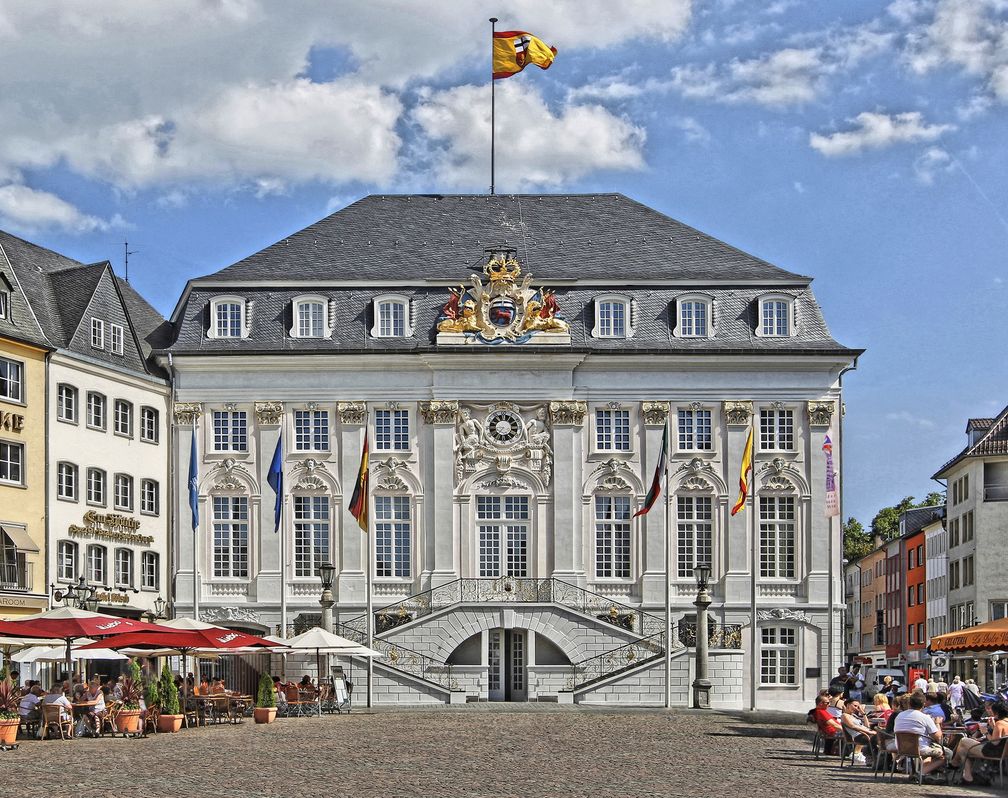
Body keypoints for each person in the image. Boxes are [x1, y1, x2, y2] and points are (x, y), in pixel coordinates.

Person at [894, 691, 952, 778]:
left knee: (928, 752)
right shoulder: (925, 717)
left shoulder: (899, 715)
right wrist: (937, 723)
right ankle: (921, 773)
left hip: (901, 747)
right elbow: (938, 737)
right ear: (923, 704)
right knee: (947, 754)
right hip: (919, 748)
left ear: (909, 704)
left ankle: (921, 771)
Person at [951, 700, 1008, 785]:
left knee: (963, 741)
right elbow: (1000, 738)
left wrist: (985, 732)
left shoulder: (1000, 723)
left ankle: (954, 764)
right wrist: (993, 727)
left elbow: (994, 742)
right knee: (963, 749)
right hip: (1003, 752)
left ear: (996, 712)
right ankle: (967, 776)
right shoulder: (1005, 722)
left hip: (993, 752)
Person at [841, 700, 877, 764]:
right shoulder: (844, 715)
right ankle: (873, 758)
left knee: (881, 737)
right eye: (855, 706)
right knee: (876, 739)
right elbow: (853, 726)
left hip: (865, 734)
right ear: (848, 705)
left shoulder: (854, 715)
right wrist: (869, 732)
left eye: (858, 707)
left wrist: (863, 714)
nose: (856, 708)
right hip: (858, 736)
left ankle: (878, 759)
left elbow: (867, 726)